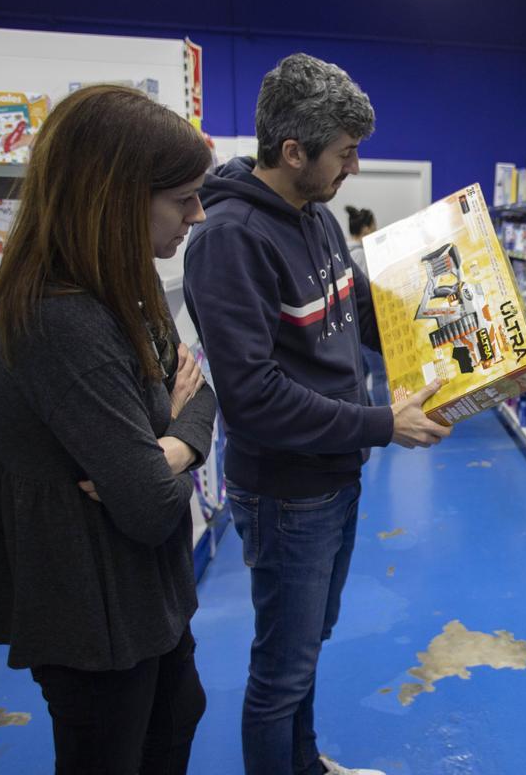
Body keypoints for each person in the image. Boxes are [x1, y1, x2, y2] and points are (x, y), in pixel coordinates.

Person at [183, 53, 450, 775]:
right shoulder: (229, 239)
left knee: (308, 648)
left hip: (336, 474)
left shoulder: (316, 216)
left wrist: (461, 339)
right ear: (292, 151)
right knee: (280, 672)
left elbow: (363, 309)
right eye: (345, 152)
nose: (354, 168)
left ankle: (306, 766)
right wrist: (380, 424)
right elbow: (253, 397)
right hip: (286, 492)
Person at [0, 85, 217, 774]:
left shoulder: (121, 289)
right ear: (118, 199)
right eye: (182, 198)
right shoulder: (61, 320)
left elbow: (202, 396)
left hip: (140, 597)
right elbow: (152, 506)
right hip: (91, 609)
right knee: (110, 751)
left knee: (176, 716)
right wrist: (165, 439)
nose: (198, 213)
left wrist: (171, 443)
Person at [344, 206, 390, 406]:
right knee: (380, 375)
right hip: (365, 325)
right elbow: (366, 293)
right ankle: (385, 419)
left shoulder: (345, 252)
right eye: (374, 227)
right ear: (366, 230)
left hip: (355, 329)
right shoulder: (360, 256)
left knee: (363, 373)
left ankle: (364, 411)